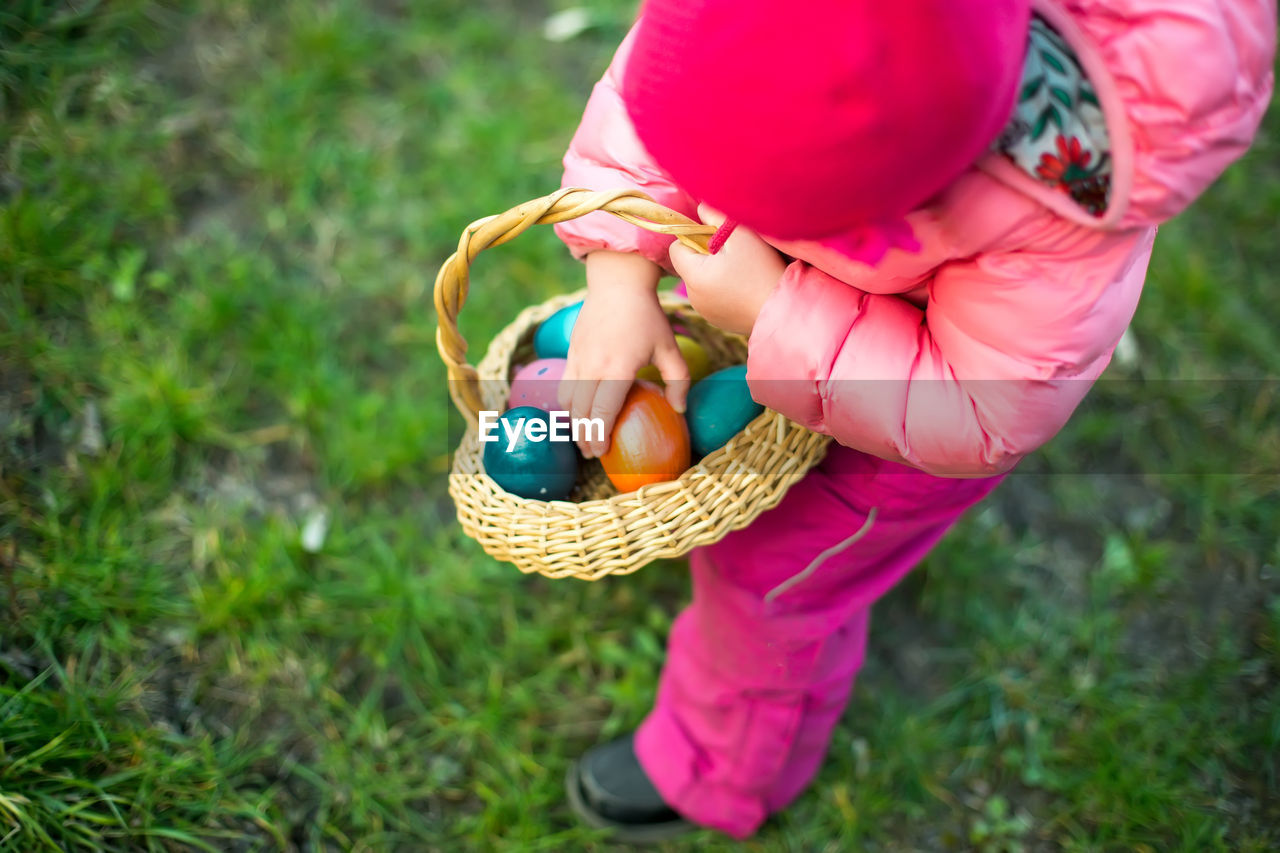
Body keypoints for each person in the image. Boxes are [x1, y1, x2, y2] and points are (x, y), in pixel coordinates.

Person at [551, 0, 1275, 841]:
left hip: (911, 416)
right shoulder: (735, 25)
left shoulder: (1059, 193)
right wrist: (615, 268)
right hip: (808, 318)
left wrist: (774, 308)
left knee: (774, 577)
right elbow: (647, 109)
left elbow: (981, 407)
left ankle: (721, 762)